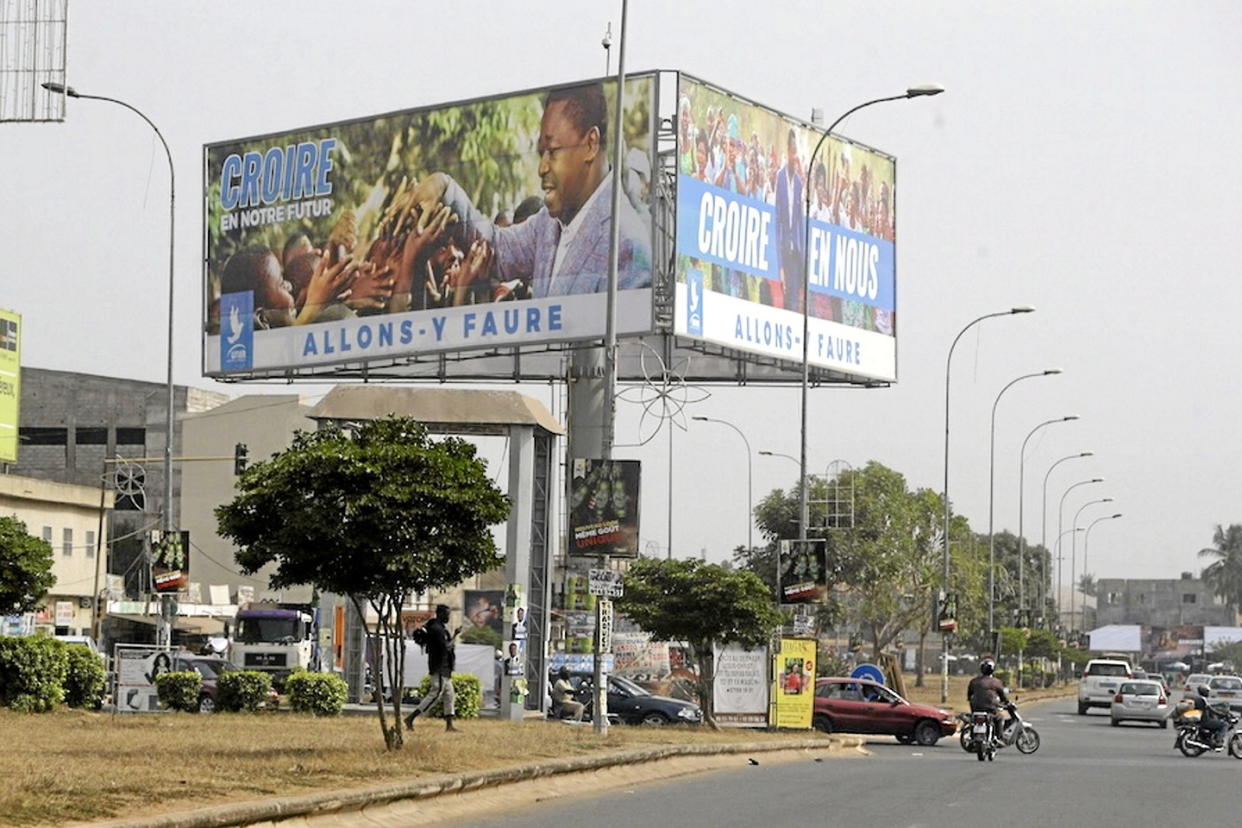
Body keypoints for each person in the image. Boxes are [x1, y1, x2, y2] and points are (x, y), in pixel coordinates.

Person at [408, 82, 652, 298]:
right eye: (540, 154)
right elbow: (496, 248)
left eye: (553, 152)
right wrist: (444, 188)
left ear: (590, 144)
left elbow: (623, 347)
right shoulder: (549, 223)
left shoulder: (628, 247)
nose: (542, 168)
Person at [404, 605, 460, 732]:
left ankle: (449, 725)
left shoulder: (440, 628)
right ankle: (411, 718)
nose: (448, 617)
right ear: (440, 614)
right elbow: (446, 647)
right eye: (447, 614)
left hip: (445, 668)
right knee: (435, 694)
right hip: (439, 667)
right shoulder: (437, 629)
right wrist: (455, 635)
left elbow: (445, 645)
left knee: (449, 695)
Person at [773, 128, 805, 312]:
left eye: (797, 151)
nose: (795, 156)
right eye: (792, 151)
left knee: (793, 302)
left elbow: (800, 223)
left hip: (795, 255)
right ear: (787, 150)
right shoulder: (780, 178)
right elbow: (777, 220)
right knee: (781, 300)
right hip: (783, 250)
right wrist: (779, 266)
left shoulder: (800, 184)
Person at [966, 659, 1009, 740]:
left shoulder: (974, 681)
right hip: (990, 710)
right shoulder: (996, 682)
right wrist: (1006, 702)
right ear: (992, 670)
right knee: (1000, 718)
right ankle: (1000, 736)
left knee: (973, 721)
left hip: (976, 709)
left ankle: (972, 736)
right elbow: (1003, 697)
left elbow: (969, 696)